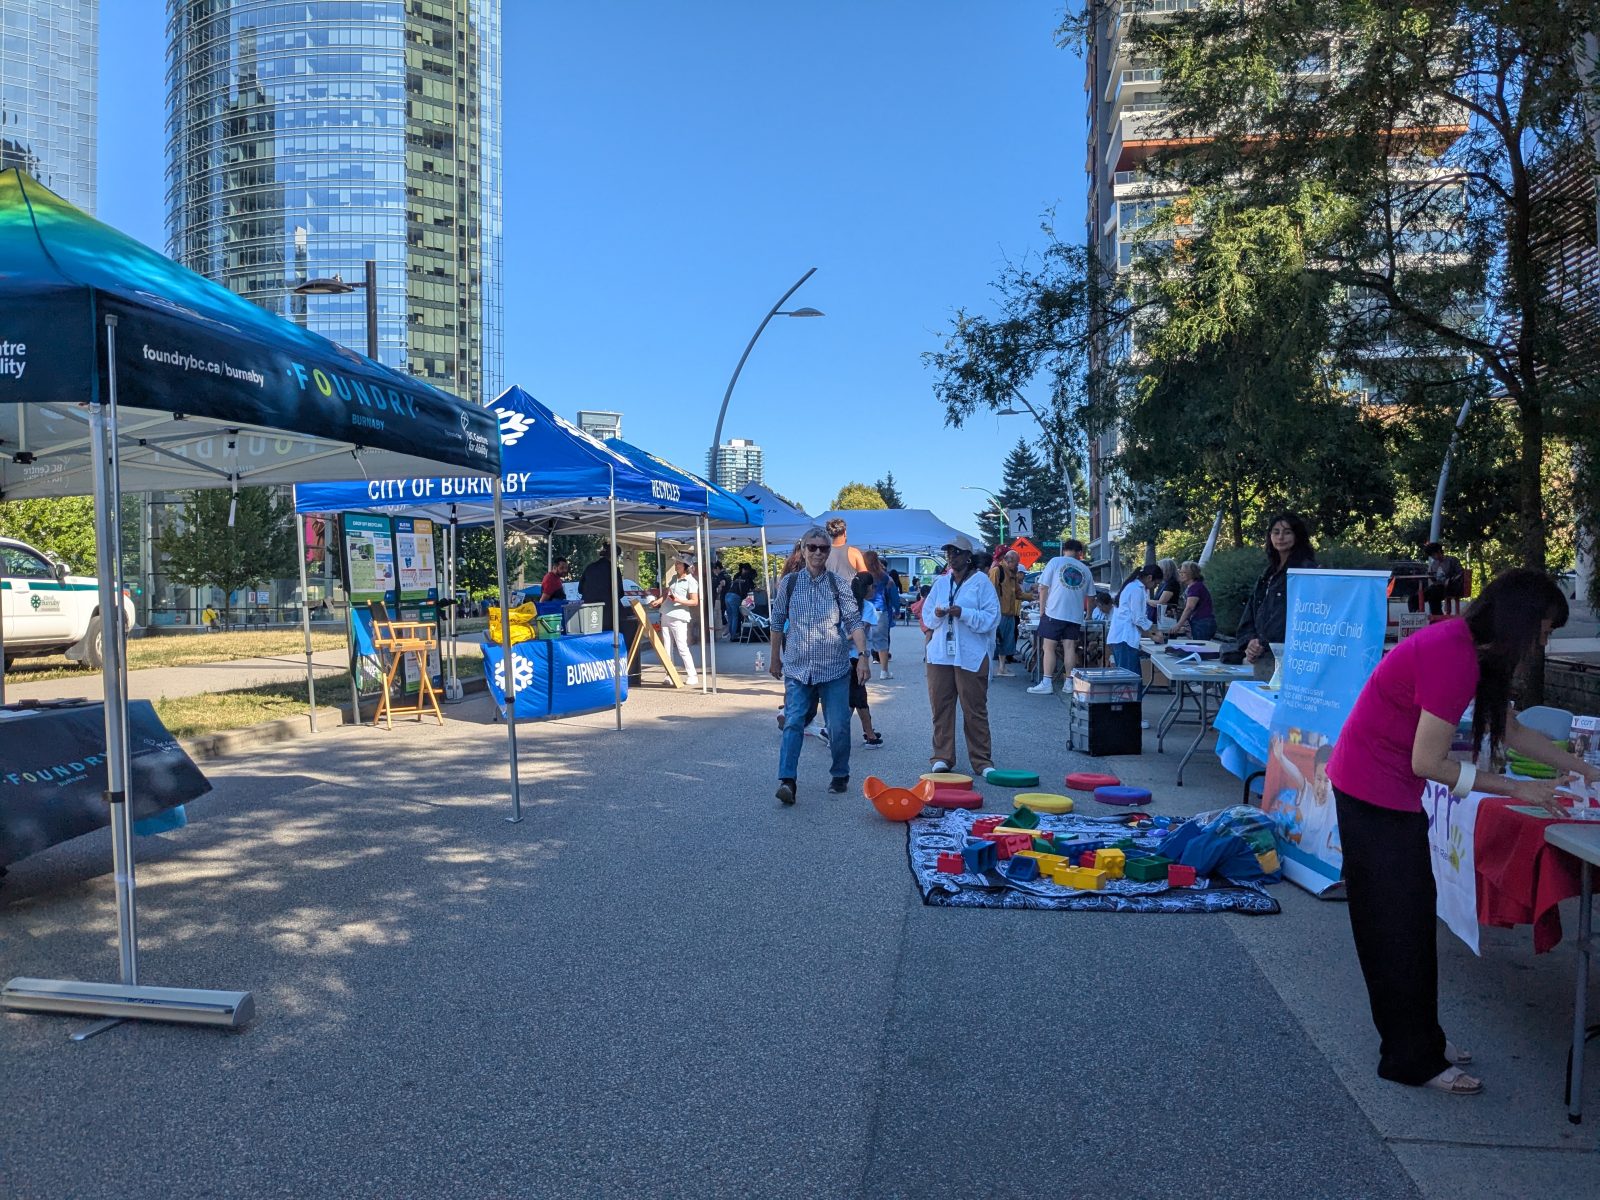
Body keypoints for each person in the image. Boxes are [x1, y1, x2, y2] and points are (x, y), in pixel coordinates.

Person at [1326, 569, 1600, 1096]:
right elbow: (1428, 761)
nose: (1544, 641)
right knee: (1394, 932)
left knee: (1408, 925)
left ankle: (1422, 1037)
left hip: (1385, 789)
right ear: (1520, 621)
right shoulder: (1452, 654)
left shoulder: (1473, 650)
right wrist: (1512, 790)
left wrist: (1585, 769)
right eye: (1544, 629)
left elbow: (1513, 730)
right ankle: (1410, 1058)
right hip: (1370, 793)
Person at [770, 526, 870, 804]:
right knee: (792, 722)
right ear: (803, 550)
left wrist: (863, 656)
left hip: (833, 668)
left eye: (822, 548)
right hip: (798, 668)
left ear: (828, 552)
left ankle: (840, 773)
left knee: (837, 726)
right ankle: (787, 780)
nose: (817, 552)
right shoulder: (789, 584)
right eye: (811, 547)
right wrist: (775, 656)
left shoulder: (839, 585)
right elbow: (777, 622)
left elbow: (853, 622)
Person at [924, 534, 1002, 778]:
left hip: (970, 654)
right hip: (940, 655)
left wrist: (964, 613)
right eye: (949, 552)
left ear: (969, 557)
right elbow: (927, 617)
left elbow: (992, 618)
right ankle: (942, 757)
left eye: (956, 552)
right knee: (941, 707)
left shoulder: (981, 582)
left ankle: (982, 760)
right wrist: (938, 614)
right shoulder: (941, 583)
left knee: (975, 709)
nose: (951, 557)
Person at [1234, 512, 1318, 681]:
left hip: (1291, 660)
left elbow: (1308, 618)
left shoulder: (1307, 571)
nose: (1281, 537)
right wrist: (1250, 641)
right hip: (1264, 659)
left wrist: (1265, 642)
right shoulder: (1267, 573)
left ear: (1297, 535)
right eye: (1276, 532)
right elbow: (1251, 613)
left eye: (1287, 532)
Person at [821, 572, 884, 749]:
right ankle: (868, 735)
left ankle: (833, 730)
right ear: (869, 588)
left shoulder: (843, 605)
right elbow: (861, 632)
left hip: (841, 656)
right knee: (859, 697)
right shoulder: (868, 608)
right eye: (874, 586)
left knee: (852, 698)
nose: (875, 589)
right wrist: (847, 640)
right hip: (857, 658)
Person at [1027, 537, 1094, 695]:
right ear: (1079, 553)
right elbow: (1091, 597)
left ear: (1065, 550)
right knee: (1069, 647)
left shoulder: (1056, 561)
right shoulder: (1085, 570)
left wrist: (1042, 610)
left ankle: (1047, 682)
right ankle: (1069, 683)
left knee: (1048, 647)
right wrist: (1089, 615)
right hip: (1075, 615)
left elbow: (1043, 588)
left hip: (1055, 611)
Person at [645, 555, 700, 686]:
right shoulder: (674, 578)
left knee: (682, 646)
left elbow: (694, 601)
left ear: (686, 566)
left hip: (679, 616)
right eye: (676, 563)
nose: (676, 566)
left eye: (678, 564)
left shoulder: (691, 581)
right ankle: (669, 674)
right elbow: (667, 593)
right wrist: (658, 601)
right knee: (666, 647)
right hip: (665, 614)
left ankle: (692, 675)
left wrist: (678, 600)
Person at [1109, 564, 1165, 679]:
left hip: (1123, 638)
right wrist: (1152, 634)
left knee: (1130, 679)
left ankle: (1130, 697)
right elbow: (1138, 619)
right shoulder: (1136, 589)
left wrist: (1153, 630)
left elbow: (1139, 617)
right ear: (1149, 578)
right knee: (1130, 680)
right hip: (1125, 639)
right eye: (1156, 583)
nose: (1154, 587)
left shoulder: (1135, 587)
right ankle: (1130, 698)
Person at [863, 550, 900, 679]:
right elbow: (893, 592)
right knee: (882, 642)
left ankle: (865, 670)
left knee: (864, 641)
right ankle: (884, 671)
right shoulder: (883, 576)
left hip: (864, 610)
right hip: (880, 609)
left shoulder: (860, 575)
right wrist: (897, 609)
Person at [989, 549, 1024, 678]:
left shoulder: (1012, 574)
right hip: (1000, 614)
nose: (1018, 565)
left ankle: (1002, 668)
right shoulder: (997, 571)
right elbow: (990, 592)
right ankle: (992, 669)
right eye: (1016, 563)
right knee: (997, 642)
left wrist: (1035, 596)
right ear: (1009, 561)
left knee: (1006, 642)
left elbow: (1018, 594)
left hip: (1009, 613)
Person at [578, 542, 625, 631]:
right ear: (615, 556)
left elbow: (580, 589)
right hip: (608, 613)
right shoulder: (614, 570)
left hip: (588, 610)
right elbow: (619, 593)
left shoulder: (589, 567)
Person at [1170, 560, 1216, 641]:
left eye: (1183, 573)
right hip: (1202, 622)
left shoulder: (1195, 587)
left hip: (1202, 622)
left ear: (1191, 574)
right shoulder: (1194, 586)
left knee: (1200, 649)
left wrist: (1178, 625)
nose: (1180, 575)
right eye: (1180, 572)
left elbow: (1189, 608)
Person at [1418, 541, 1467, 616]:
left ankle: (1438, 618)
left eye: (1433, 554)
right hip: (1437, 588)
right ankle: (1414, 618)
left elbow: (1460, 573)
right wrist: (1431, 576)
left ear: (1438, 551)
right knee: (1415, 598)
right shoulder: (1434, 564)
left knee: (1433, 595)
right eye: (1431, 556)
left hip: (1449, 588)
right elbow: (1434, 579)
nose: (1433, 557)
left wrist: (1450, 580)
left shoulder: (1452, 560)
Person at [824, 516, 868, 582]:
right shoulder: (854, 552)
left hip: (827, 591)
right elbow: (865, 577)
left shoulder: (823, 552)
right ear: (845, 533)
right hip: (849, 591)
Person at [1152, 557, 1182, 623]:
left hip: (1167, 618)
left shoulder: (1172, 583)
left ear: (1166, 569)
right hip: (1161, 616)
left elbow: (1161, 602)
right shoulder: (1164, 582)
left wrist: (1147, 601)